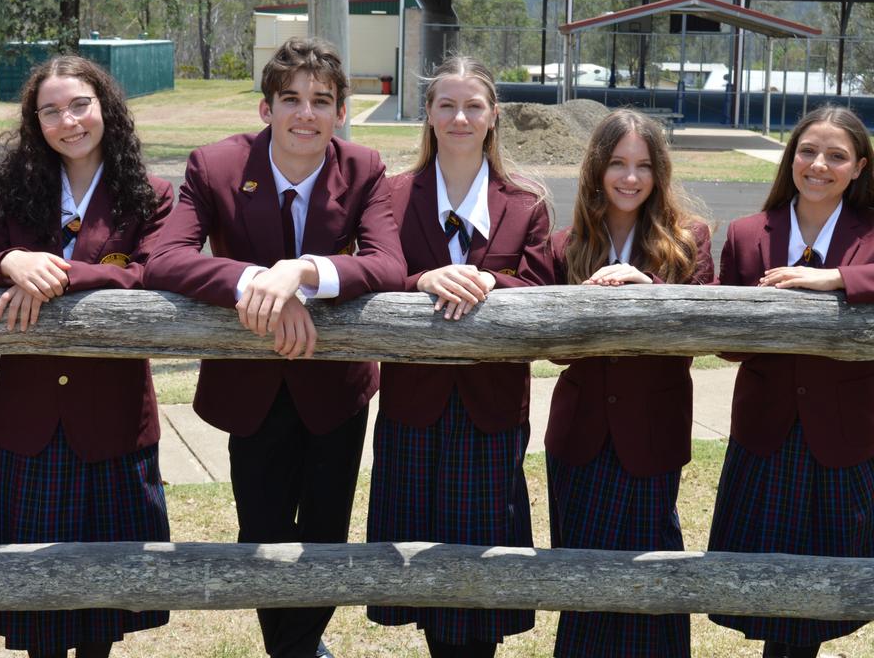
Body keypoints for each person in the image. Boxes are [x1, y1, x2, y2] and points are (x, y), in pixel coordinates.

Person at [144, 37, 405, 658]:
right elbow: (165, 259)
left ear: (342, 111)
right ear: (266, 109)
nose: (305, 114)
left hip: (333, 387)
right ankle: (295, 651)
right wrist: (257, 281)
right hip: (251, 387)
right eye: (290, 99)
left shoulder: (364, 167)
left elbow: (388, 264)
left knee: (325, 532)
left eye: (321, 100)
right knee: (260, 533)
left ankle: (299, 648)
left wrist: (303, 272)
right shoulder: (215, 165)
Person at [0, 55, 173, 658]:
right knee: (39, 599)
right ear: (36, 121)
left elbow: (151, 272)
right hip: (31, 420)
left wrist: (52, 271)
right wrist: (9, 262)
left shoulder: (149, 194)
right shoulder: (9, 189)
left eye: (79, 104)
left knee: (105, 600)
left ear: (104, 106)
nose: (68, 120)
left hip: (113, 419)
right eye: (50, 110)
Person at [366, 56, 550, 658]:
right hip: (412, 406)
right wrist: (423, 280)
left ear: (495, 116)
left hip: (491, 410)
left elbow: (546, 288)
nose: (460, 116)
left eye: (474, 105)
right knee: (419, 564)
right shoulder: (391, 195)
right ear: (428, 114)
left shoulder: (526, 203)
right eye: (446, 104)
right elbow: (375, 272)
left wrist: (494, 281)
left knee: (481, 564)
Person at [544, 108, 713, 658]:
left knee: (649, 573)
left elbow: (706, 325)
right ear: (597, 169)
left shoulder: (689, 240)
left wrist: (651, 288)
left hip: (651, 435)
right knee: (583, 580)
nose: (630, 177)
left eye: (643, 165)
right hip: (579, 437)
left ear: (659, 171)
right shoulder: (566, 242)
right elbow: (543, 334)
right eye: (617, 163)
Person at [709, 106, 874, 658]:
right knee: (767, 587)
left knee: (826, 591)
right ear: (790, 157)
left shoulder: (871, 235)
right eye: (807, 151)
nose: (819, 165)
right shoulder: (747, 232)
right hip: (766, 435)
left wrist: (837, 277)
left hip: (843, 438)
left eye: (837, 156)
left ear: (859, 167)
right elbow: (725, 340)